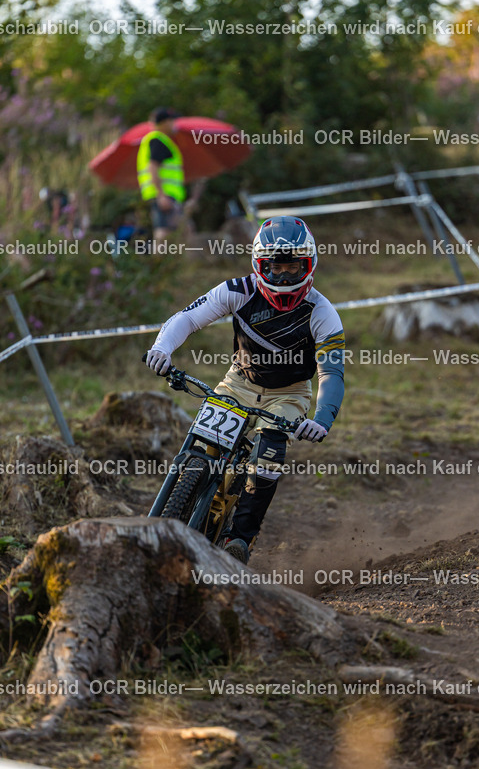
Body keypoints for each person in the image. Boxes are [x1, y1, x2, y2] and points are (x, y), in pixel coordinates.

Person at [145, 216, 346, 564]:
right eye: (275, 268)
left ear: (309, 265)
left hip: (288, 394)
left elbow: (331, 373)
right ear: (259, 265)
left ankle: (241, 538)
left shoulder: (322, 312)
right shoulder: (237, 290)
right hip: (238, 382)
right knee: (203, 441)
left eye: (293, 268)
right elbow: (188, 318)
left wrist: (321, 420)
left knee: (268, 455)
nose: (284, 277)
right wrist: (162, 349)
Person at [136, 107, 186, 243]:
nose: (175, 124)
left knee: (174, 231)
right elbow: (152, 167)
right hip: (164, 195)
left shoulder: (160, 141)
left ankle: (167, 256)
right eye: (172, 121)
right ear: (164, 123)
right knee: (164, 232)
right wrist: (161, 195)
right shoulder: (158, 141)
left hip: (166, 194)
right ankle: (159, 256)